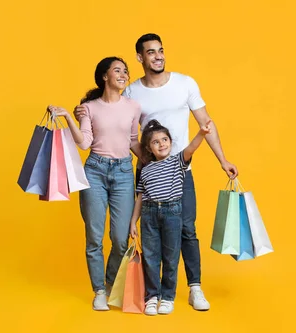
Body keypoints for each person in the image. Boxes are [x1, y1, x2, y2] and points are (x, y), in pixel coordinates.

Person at [75, 33, 239, 311]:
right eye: (150, 52)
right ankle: (152, 295)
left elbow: (205, 122)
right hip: (148, 175)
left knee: (187, 229)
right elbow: (117, 123)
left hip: (181, 169)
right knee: (149, 235)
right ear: (140, 58)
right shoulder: (131, 92)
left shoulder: (185, 83)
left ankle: (194, 288)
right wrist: (83, 113)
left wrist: (223, 160)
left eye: (160, 51)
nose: (158, 56)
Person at [49, 56, 142, 311]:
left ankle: (111, 282)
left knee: (121, 238)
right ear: (104, 76)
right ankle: (99, 291)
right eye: (117, 70)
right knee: (94, 237)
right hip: (95, 172)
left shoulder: (134, 106)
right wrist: (68, 115)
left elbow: (134, 140)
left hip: (123, 172)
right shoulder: (89, 108)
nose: (123, 74)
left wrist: (151, 161)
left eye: (126, 71)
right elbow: (84, 143)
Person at [129, 119, 211, 315]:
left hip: (172, 214)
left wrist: (201, 133)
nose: (162, 144)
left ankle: (167, 297)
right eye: (156, 142)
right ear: (149, 148)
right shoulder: (146, 169)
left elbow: (191, 148)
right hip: (149, 215)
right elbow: (141, 196)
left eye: (165, 139)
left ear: (171, 142)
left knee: (171, 257)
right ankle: (152, 297)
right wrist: (134, 221)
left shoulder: (178, 161)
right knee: (150, 257)